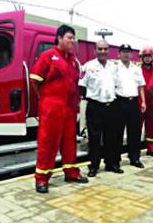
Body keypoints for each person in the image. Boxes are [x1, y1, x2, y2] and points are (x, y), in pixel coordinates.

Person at [30, 25, 88, 193]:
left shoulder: (72, 60)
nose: (72, 41)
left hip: (69, 108)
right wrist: (43, 97)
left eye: (73, 38)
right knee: (48, 142)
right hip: (52, 107)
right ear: (59, 38)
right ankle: (41, 178)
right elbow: (34, 79)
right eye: (69, 37)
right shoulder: (47, 56)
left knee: (69, 141)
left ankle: (71, 172)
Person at [79, 40, 121, 177]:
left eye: (105, 49)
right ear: (95, 50)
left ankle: (111, 164)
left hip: (111, 106)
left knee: (111, 137)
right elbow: (81, 85)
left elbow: (117, 85)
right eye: (100, 49)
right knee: (94, 138)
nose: (102, 51)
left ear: (108, 51)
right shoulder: (87, 66)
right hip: (95, 106)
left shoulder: (114, 67)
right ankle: (94, 166)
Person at [115, 44, 146, 170]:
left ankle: (135, 158)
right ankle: (115, 160)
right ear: (119, 54)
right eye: (123, 52)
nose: (126, 54)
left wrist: (143, 101)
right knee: (117, 132)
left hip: (134, 102)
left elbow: (141, 86)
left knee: (135, 132)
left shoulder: (137, 69)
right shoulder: (114, 67)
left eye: (128, 52)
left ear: (131, 54)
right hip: (119, 102)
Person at [140, 46, 153, 157]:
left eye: (149, 56)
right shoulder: (136, 70)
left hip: (152, 103)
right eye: (145, 56)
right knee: (136, 126)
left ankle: (151, 148)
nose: (147, 58)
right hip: (139, 102)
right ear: (141, 57)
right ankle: (134, 150)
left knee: (152, 126)